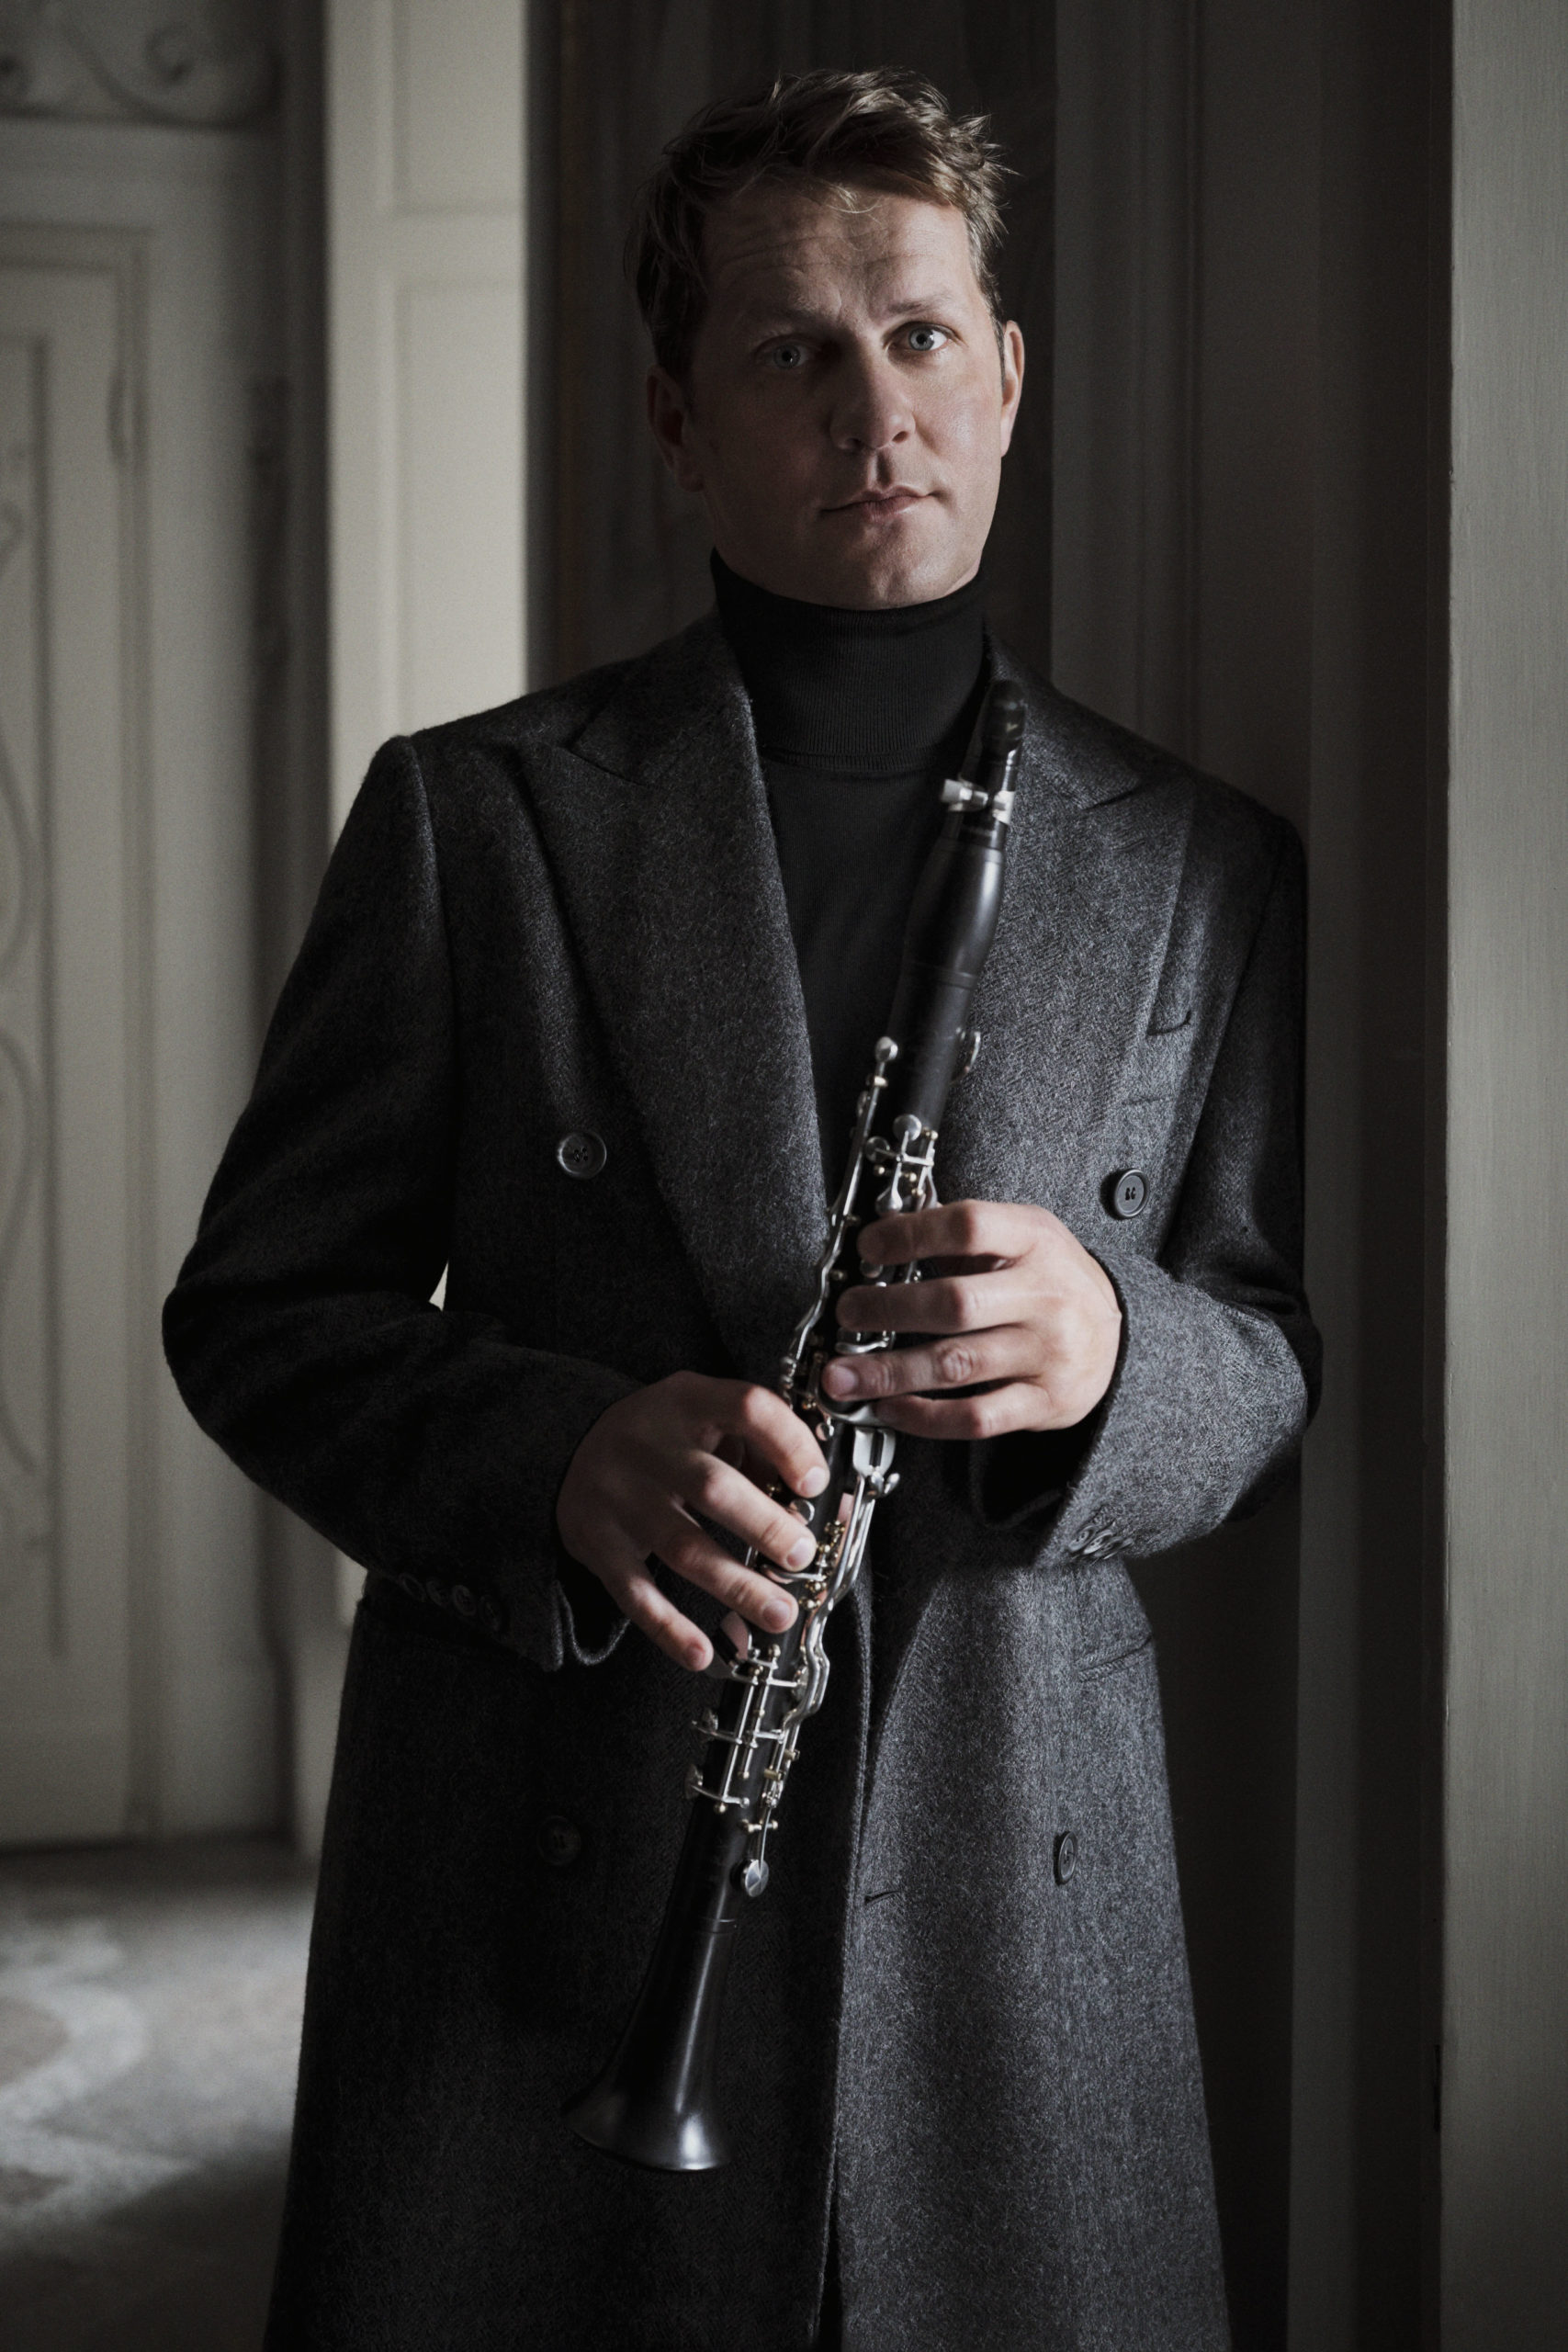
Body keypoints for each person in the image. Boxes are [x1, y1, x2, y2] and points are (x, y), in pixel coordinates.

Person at [164, 68, 1317, 2352]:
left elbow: (1262, 1348)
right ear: (678, 421)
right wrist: (550, 1453)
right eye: (791, 350)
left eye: (917, 334)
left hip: (1010, 1895)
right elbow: (259, 1308)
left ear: (1006, 374)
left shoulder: (1201, 861)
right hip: (549, 1863)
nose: (872, 408)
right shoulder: (475, 819)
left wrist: (1114, 1350)